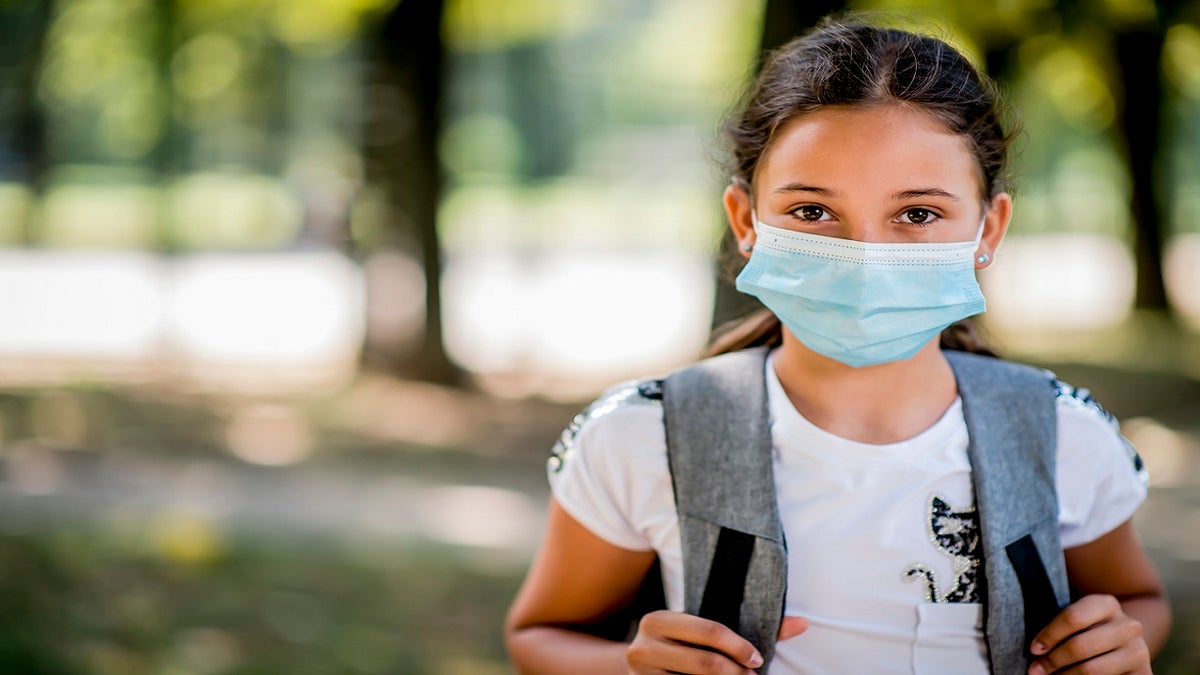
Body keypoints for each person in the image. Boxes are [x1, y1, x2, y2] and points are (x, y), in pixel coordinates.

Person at [505, 17, 1170, 675]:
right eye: (812, 212)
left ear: (988, 229)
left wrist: (1117, 640)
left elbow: (1139, 600)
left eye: (917, 215)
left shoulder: (1061, 436)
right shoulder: (642, 438)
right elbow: (542, 631)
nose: (864, 256)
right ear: (746, 221)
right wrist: (628, 666)